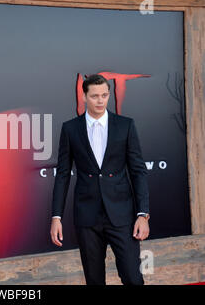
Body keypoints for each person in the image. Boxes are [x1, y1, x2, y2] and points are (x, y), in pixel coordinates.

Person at [50, 74, 150, 285]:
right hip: (87, 217)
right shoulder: (70, 129)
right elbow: (62, 174)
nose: (100, 100)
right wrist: (56, 217)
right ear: (85, 97)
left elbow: (138, 171)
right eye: (95, 96)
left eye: (104, 95)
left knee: (133, 278)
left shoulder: (125, 125)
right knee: (94, 281)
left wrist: (143, 214)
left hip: (122, 215)